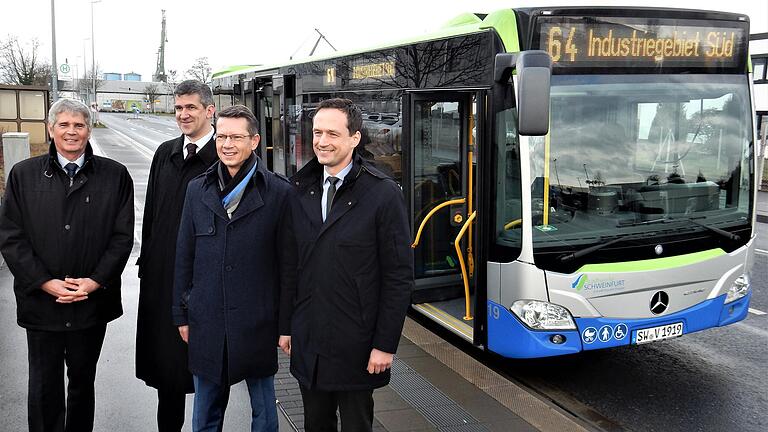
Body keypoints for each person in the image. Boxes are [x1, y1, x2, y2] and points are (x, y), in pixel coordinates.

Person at [278, 98, 414, 432]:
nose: (322, 141)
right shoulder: (298, 189)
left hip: (358, 341)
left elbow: (398, 276)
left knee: (356, 425)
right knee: (316, 424)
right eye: (317, 132)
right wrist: (286, 325)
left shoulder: (382, 194)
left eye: (332, 134)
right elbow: (290, 264)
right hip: (309, 338)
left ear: (355, 138)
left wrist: (385, 344)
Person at [0, 98, 134, 432]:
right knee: (44, 389)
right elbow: (11, 237)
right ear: (50, 129)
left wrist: (94, 281)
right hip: (41, 304)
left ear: (89, 129)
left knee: (81, 387)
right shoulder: (23, 176)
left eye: (79, 125)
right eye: (64, 124)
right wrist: (44, 282)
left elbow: (121, 238)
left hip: (91, 304)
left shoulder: (114, 176)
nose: (71, 132)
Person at [172, 105, 291, 431]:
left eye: (236, 137)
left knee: (264, 410)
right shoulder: (197, 189)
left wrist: (285, 324)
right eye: (222, 136)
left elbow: (288, 265)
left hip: (258, 319)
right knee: (205, 409)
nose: (227, 144)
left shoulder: (280, 192)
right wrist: (181, 314)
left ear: (254, 141)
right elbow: (184, 254)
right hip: (206, 316)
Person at [135, 79, 218, 431]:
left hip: (206, 283)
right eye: (179, 108)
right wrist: (147, 264)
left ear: (209, 110)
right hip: (162, 279)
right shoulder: (165, 153)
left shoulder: (223, 156)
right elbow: (152, 214)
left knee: (208, 376)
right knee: (167, 376)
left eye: (191, 108)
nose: (183, 115)